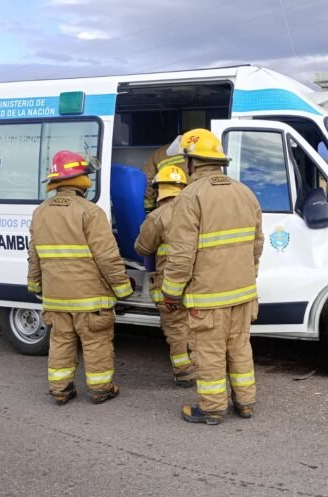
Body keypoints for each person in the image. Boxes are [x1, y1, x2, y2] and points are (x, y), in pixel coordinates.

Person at [161, 129, 264, 425]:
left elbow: (181, 254)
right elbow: (257, 244)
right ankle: (245, 403)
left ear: (192, 162)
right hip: (244, 293)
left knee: (209, 352)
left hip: (208, 297)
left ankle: (212, 408)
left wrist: (171, 292)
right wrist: (249, 276)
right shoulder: (245, 192)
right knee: (240, 347)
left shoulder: (190, 196)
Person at [27, 150, 133, 405]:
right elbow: (107, 257)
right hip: (90, 299)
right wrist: (122, 289)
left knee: (61, 342)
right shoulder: (90, 212)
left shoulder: (41, 212)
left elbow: (35, 255)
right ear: (81, 179)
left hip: (56, 298)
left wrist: (35, 285)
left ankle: (60, 390)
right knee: (96, 343)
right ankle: (100, 390)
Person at [134, 165, 195, 387]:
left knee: (176, 328)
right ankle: (204, 367)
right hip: (198, 282)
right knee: (198, 326)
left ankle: (184, 372)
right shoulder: (197, 210)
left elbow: (142, 248)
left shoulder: (157, 216)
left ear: (159, 189)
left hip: (167, 283)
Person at [142, 144, 187, 212]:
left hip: (163, 199)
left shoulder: (159, 153)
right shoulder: (200, 149)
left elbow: (147, 182)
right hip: (187, 201)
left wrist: (150, 210)